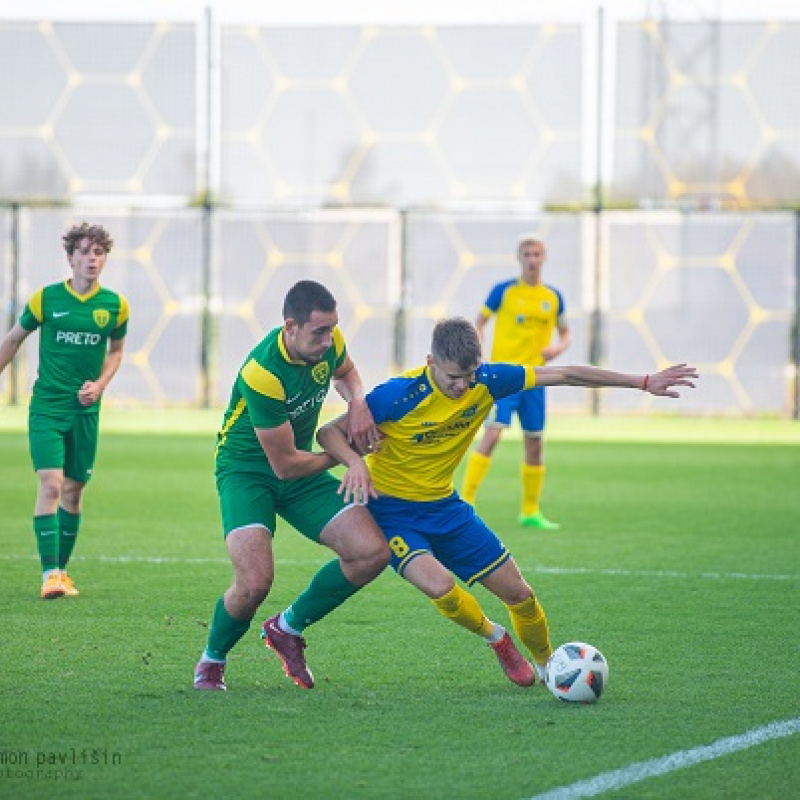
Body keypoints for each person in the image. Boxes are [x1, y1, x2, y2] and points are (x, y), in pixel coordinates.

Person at [317, 318, 697, 687]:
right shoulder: (396, 396)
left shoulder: (488, 380)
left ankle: (550, 666)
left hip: (447, 508)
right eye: (453, 378)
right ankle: (495, 637)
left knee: (521, 596)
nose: (463, 386)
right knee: (440, 586)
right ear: (431, 363)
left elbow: (565, 374)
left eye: (469, 375)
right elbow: (327, 432)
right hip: (391, 511)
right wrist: (354, 462)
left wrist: (644, 382)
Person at [194, 280, 390, 691]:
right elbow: (283, 466)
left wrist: (357, 403)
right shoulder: (263, 372)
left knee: (371, 553)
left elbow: (348, 372)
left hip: (301, 466)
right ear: (291, 327)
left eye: (332, 329)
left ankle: (287, 628)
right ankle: (212, 660)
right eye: (319, 332)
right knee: (255, 583)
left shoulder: (328, 343)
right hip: (248, 473)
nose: (328, 340)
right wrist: (348, 456)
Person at [0, 222, 129, 599]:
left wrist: (100, 385)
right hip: (47, 408)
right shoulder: (46, 300)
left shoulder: (115, 306)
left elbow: (116, 352)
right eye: (85, 252)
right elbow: (12, 340)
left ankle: (61, 572)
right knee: (52, 483)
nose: (92, 259)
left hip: (85, 413)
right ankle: (50, 573)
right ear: (70, 257)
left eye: (98, 252)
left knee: (73, 491)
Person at [461, 234, 571, 530]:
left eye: (537, 254)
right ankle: (466, 500)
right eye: (527, 254)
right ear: (519, 258)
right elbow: (479, 322)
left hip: (536, 379)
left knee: (534, 442)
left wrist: (557, 349)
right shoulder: (503, 291)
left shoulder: (553, 297)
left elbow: (565, 333)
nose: (532, 260)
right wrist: (480, 355)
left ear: (543, 258)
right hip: (504, 377)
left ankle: (530, 511)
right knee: (492, 435)